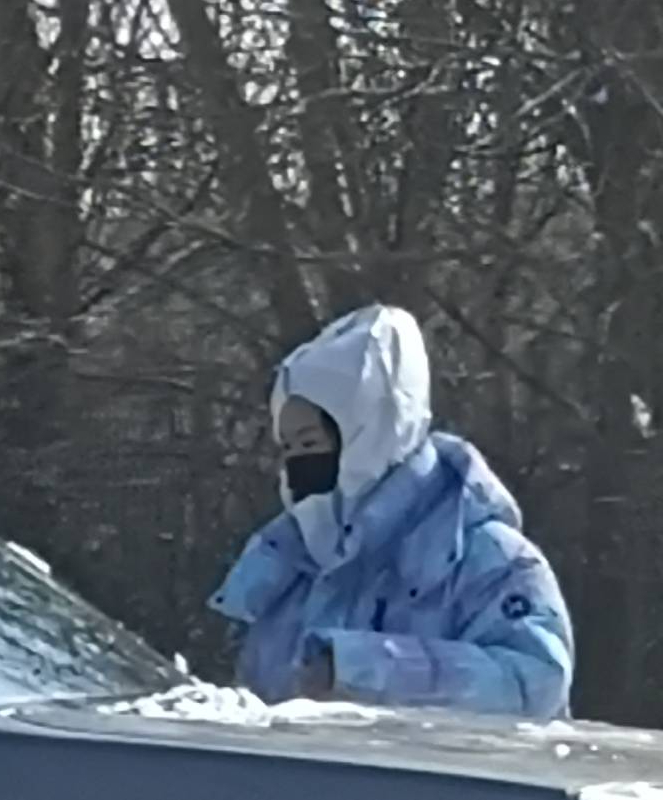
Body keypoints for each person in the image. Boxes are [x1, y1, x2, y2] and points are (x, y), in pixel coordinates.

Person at [208, 303, 575, 720]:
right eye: (287, 448)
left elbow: (534, 684)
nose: (296, 467)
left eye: (310, 444)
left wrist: (364, 670)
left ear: (371, 432)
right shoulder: (290, 566)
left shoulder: (489, 561)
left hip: (438, 786)